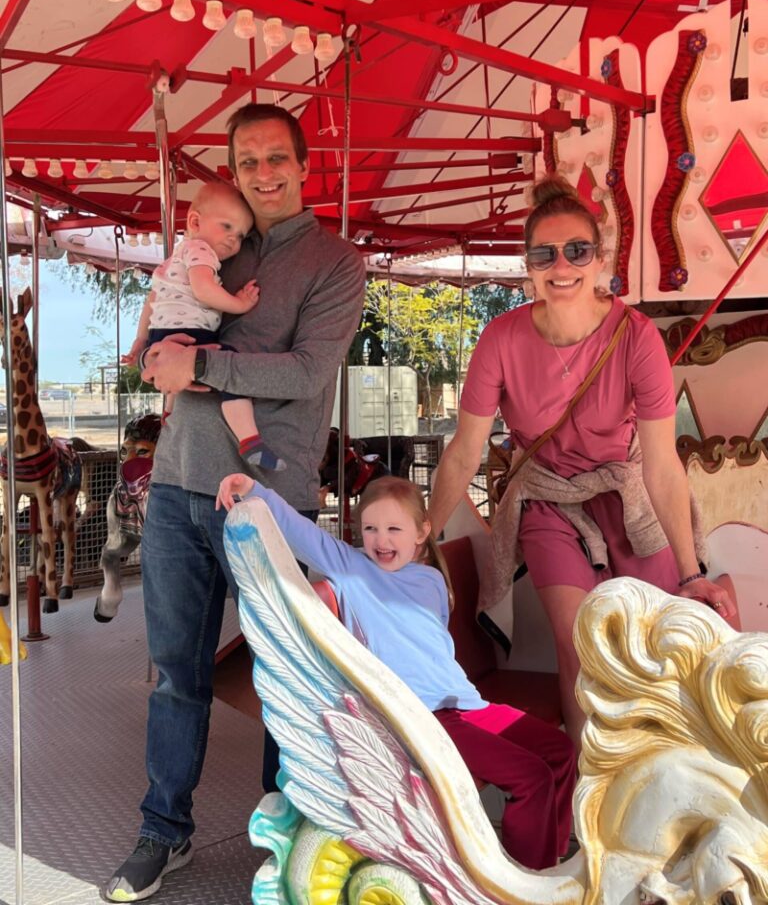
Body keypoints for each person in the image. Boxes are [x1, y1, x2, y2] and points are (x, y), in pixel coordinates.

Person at [101, 104, 366, 904]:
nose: (262, 173)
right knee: (175, 675)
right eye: (247, 161)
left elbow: (305, 375)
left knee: (284, 674)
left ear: (302, 164)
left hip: (267, 496)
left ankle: (284, 833)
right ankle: (163, 830)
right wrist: (156, 352)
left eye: (275, 158)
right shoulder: (214, 247)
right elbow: (152, 348)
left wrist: (201, 365)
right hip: (180, 482)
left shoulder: (335, 261)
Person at [427, 175, 735, 745]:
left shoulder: (637, 337)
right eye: (544, 253)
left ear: (599, 259)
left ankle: (653, 773)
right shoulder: (501, 339)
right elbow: (465, 450)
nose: (561, 265)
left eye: (576, 250)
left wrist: (691, 573)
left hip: (627, 493)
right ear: (528, 264)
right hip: (549, 498)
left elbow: (662, 464)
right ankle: (585, 793)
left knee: (656, 640)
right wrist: (425, 531)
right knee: (577, 644)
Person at [217, 472, 577, 871]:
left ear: (422, 532)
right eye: (370, 528)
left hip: (465, 705)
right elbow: (301, 533)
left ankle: (551, 860)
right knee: (531, 778)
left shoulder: (432, 580)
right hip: (422, 717)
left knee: (560, 753)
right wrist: (254, 490)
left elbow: (436, 648)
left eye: (393, 529)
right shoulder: (352, 570)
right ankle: (523, 882)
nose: (381, 541)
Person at [123, 181, 284, 472]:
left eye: (240, 235)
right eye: (226, 227)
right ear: (195, 221)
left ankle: (169, 413)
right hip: (192, 333)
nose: (233, 241)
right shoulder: (201, 251)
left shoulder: (172, 260)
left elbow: (152, 301)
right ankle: (250, 440)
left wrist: (141, 341)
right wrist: (240, 304)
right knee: (230, 371)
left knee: (179, 379)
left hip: (162, 335)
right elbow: (203, 290)